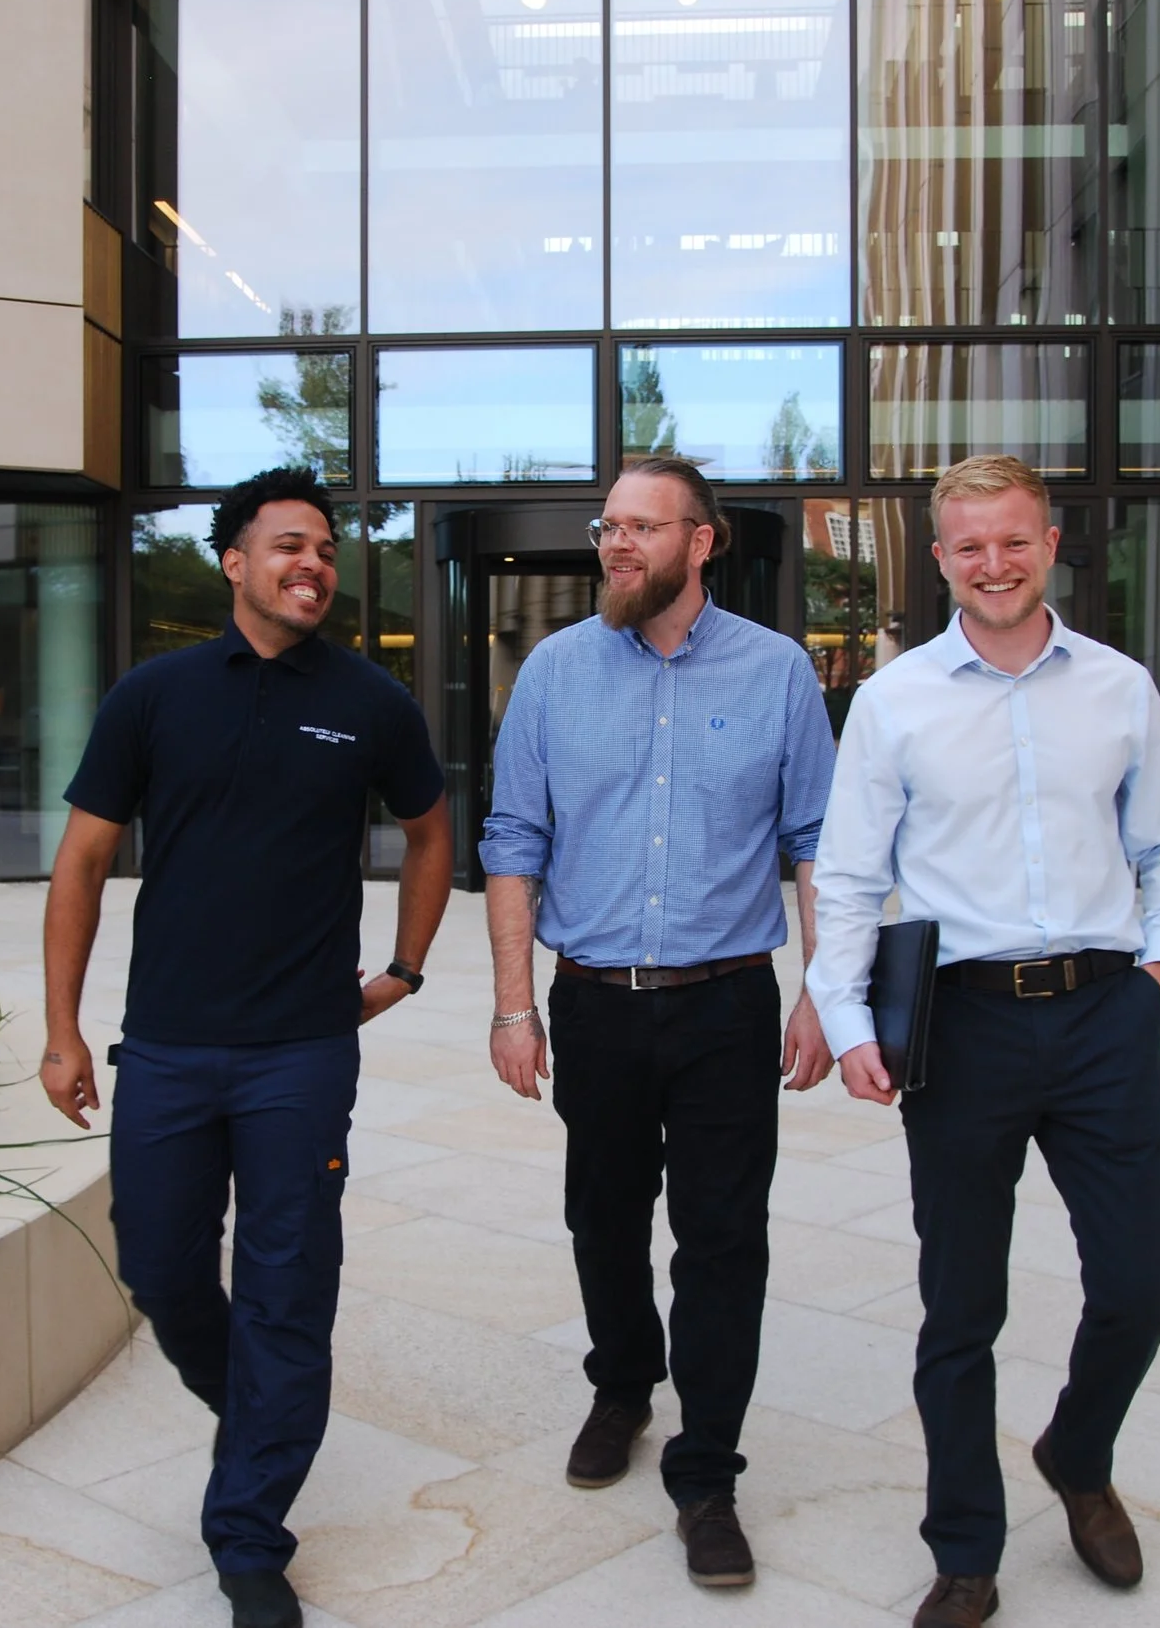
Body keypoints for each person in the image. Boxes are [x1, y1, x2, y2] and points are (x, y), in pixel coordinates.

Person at [38, 466, 452, 1628]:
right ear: (232, 561)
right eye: (287, 546)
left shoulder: (370, 702)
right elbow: (79, 863)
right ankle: (256, 1409)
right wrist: (63, 1029)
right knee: (159, 1267)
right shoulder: (154, 695)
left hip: (301, 1054)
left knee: (285, 1290)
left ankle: (248, 1532)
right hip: (165, 1047)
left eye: (324, 549)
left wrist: (404, 969)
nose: (312, 564)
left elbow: (430, 832)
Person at [804, 455, 1160, 1628]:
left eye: (1013, 540)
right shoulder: (895, 699)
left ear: (1049, 541)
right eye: (968, 546)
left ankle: (1077, 1455)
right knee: (960, 1304)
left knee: (1146, 1276)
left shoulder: (1119, 687)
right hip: (962, 1026)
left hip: (1102, 1016)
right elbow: (847, 876)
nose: (993, 564)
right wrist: (843, 1021)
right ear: (939, 560)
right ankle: (966, 1552)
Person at [480, 455, 838, 1590]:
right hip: (593, 1002)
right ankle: (623, 1385)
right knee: (603, 1216)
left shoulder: (779, 674)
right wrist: (510, 1005)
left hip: (727, 1003)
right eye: (608, 527)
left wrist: (826, 991)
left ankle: (706, 1475)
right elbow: (511, 844)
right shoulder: (552, 672)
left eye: (642, 528)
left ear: (703, 541)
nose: (616, 545)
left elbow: (819, 845)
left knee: (726, 1241)